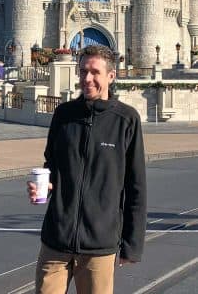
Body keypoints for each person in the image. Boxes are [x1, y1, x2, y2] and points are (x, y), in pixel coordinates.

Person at [27, 44, 146, 294]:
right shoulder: (64, 114)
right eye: (82, 72)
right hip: (56, 241)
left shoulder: (126, 120)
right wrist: (45, 187)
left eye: (94, 72)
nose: (87, 79)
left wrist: (131, 244)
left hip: (99, 245)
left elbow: (136, 186)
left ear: (111, 76)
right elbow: (52, 164)